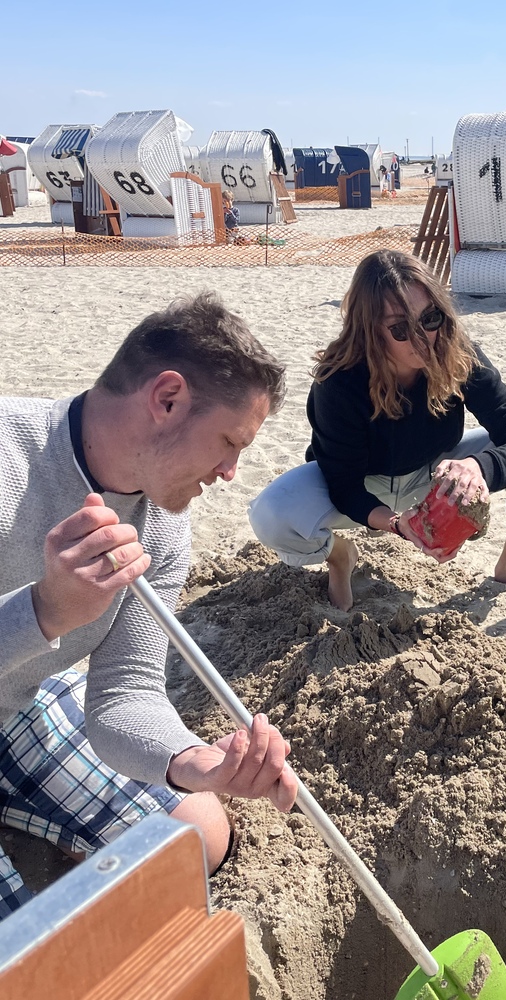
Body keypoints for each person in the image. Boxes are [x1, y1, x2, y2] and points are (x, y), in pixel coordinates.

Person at [0, 293, 295, 918]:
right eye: (227, 443)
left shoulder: (159, 519)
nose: (230, 471)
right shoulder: (10, 457)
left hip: (11, 708)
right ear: (166, 399)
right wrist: (47, 611)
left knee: (198, 834)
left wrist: (195, 763)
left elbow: (124, 694)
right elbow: (44, 615)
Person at [248, 250, 506, 612]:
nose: (423, 339)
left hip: (433, 472)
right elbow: (343, 484)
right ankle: (340, 557)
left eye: (430, 319)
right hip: (363, 483)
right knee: (270, 514)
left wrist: (478, 468)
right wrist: (398, 524)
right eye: (400, 328)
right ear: (369, 330)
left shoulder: (458, 355)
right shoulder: (339, 380)